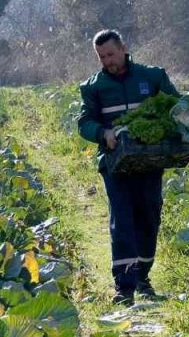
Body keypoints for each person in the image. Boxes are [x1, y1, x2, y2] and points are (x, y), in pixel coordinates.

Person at [76, 29, 179, 305]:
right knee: (122, 220)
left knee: (149, 215)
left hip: (149, 161)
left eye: (110, 54)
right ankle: (124, 287)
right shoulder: (93, 88)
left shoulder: (152, 77)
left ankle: (143, 278)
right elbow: (84, 122)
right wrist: (103, 134)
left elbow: (177, 107)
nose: (107, 61)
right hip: (115, 164)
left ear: (123, 48)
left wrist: (188, 124)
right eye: (101, 56)